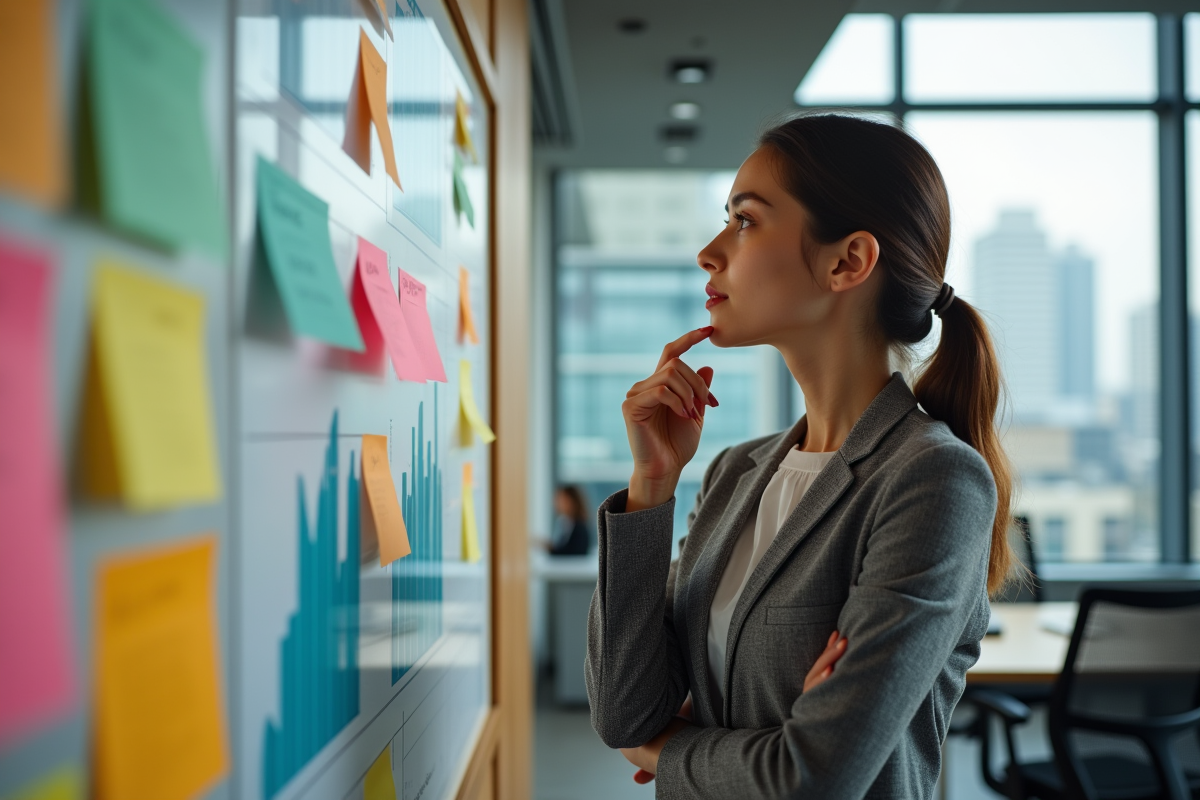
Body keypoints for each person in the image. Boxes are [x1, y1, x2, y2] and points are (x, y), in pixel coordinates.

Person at [584, 113, 1013, 799]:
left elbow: (814, 775)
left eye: (746, 221)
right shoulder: (733, 473)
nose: (710, 250)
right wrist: (652, 484)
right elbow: (623, 713)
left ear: (848, 262)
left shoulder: (935, 479)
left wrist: (667, 750)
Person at [549, 484, 590, 556]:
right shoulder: (564, 523)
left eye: (562, 500)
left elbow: (574, 552)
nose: (558, 503)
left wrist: (549, 548)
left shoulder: (580, 527)